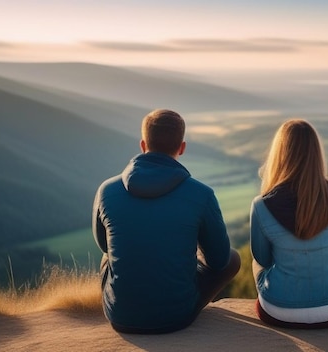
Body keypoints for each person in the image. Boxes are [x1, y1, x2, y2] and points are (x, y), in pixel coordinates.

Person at [92, 109, 241, 334]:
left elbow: (104, 247)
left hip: (120, 316)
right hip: (177, 317)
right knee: (233, 259)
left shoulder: (107, 190)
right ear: (182, 148)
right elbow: (219, 261)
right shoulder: (202, 194)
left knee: (108, 257)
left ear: (143, 145)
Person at [250, 119, 328, 329]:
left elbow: (263, 259)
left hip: (280, 311)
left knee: (256, 263)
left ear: (279, 154)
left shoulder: (261, 205)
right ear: (316, 154)